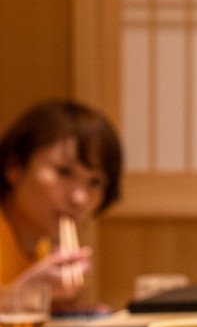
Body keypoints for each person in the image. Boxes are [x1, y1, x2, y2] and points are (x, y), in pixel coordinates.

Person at [0, 99, 122, 307]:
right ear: (15, 166)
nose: (80, 198)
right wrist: (24, 294)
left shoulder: (42, 250)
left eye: (95, 182)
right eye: (64, 172)